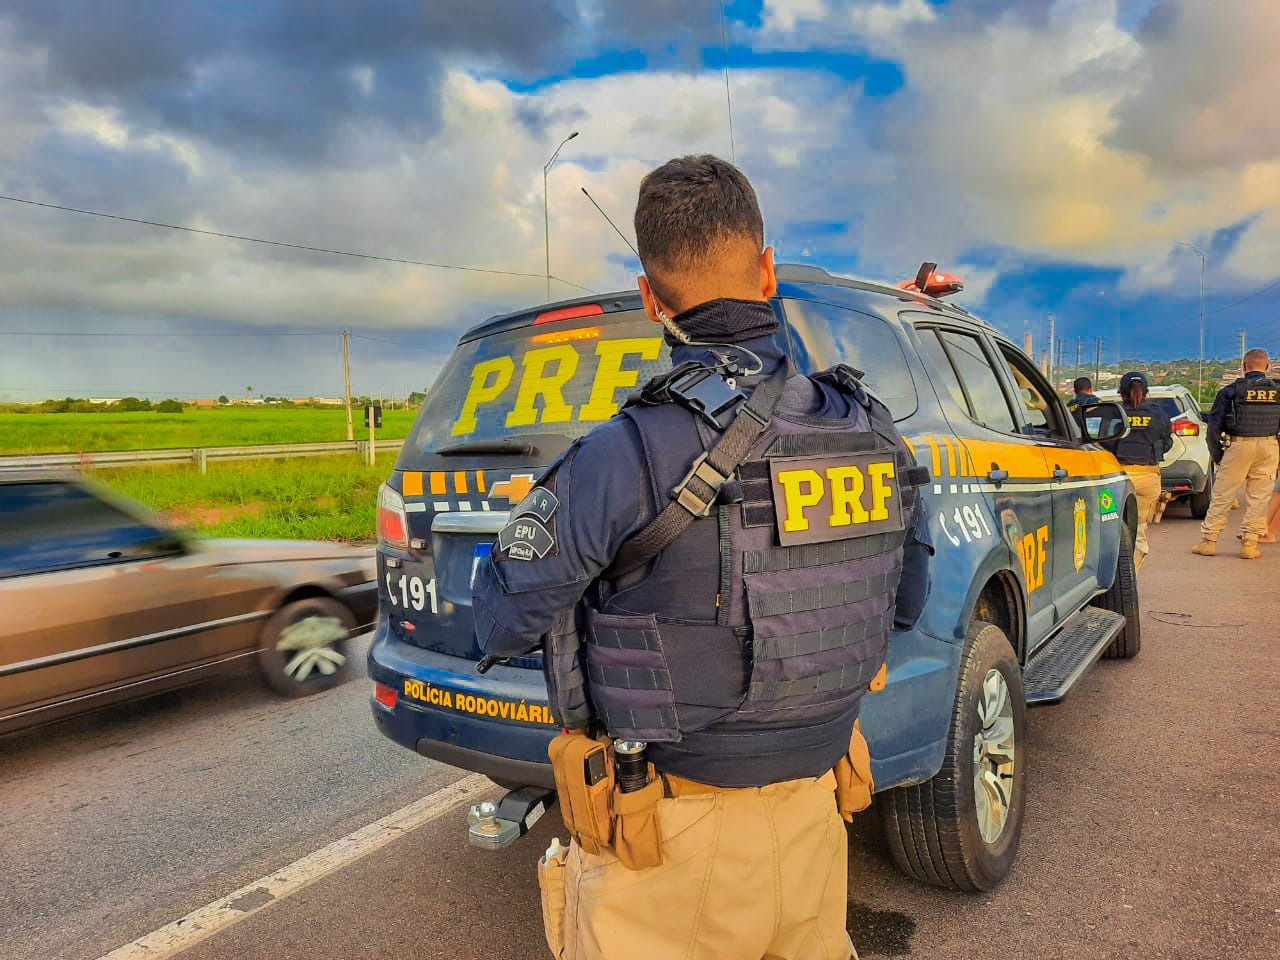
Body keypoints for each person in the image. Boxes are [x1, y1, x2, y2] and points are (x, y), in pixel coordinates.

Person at [472, 154, 932, 960]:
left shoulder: (627, 450)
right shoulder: (871, 428)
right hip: (819, 819)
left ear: (651, 297)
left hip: (670, 840)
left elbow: (503, 616)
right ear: (766, 271)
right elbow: (905, 602)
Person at [1192, 349, 1280, 559]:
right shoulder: (1277, 392)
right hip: (1269, 445)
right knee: (1259, 497)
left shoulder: (1231, 391)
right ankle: (1250, 544)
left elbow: (1213, 427)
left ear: (1244, 366)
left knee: (1223, 495)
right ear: (1267, 367)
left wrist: (1219, 456)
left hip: (1238, 445)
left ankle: (1209, 541)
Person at [1099, 371, 1172, 570]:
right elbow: (1166, 444)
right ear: (1147, 391)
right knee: (1139, 530)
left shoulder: (1115, 413)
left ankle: (1112, 579)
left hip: (1118, 477)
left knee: (1109, 529)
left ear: (1121, 392)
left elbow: (1103, 444)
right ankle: (1130, 579)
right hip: (1148, 477)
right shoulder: (1159, 414)